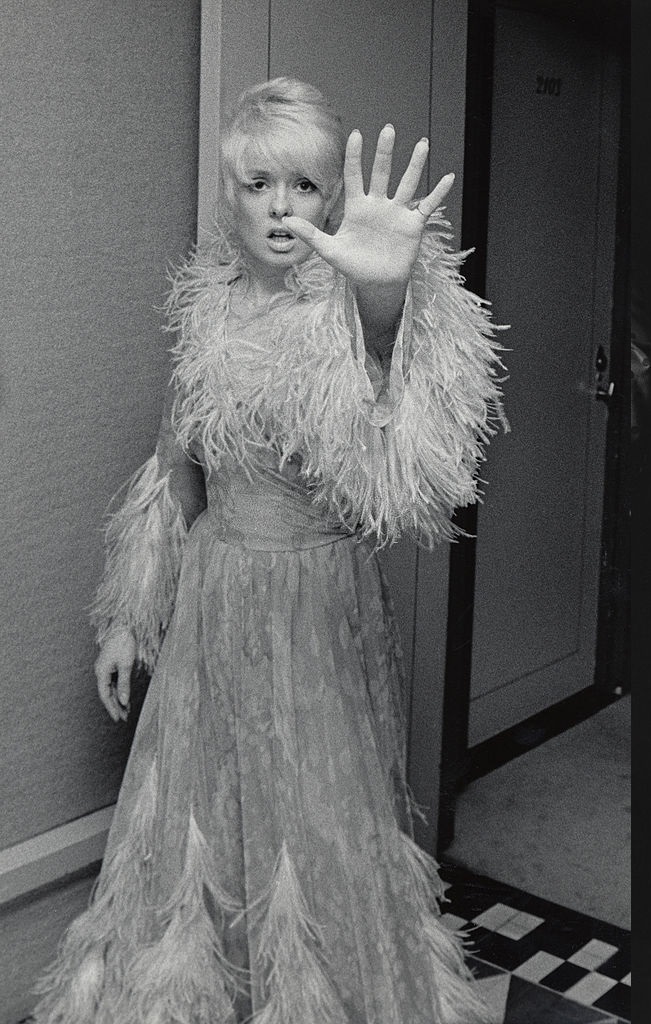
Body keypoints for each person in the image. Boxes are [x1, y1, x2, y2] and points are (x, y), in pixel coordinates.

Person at [33, 78, 506, 1024]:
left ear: (333, 196)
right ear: (232, 195)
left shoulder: (363, 300)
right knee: (199, 822)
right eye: (259, 184)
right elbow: (175, 474)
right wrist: (130, 616)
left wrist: (380, 306)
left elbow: (402, 462)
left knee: (318, 823)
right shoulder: (206, 308)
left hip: (318, 607)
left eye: (304, 184)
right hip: (214, 600)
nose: (282, 208)